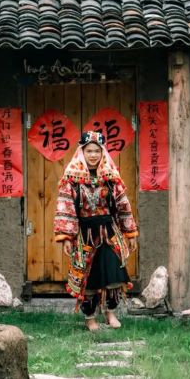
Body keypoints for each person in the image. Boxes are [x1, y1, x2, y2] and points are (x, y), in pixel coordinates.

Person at [53, 131, 138, 331]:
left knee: (113, 273)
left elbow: (123, 205)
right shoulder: (72, 179)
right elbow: (65, 208)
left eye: (96, 151)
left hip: (109, 232)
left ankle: (110, 314)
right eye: (89, 151)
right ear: (82, 152)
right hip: (85, 233)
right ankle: (90, 317)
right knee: (87, 276)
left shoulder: (110, 177)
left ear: (102, 153)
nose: (93, 155)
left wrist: (130, 233)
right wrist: (67, 238)